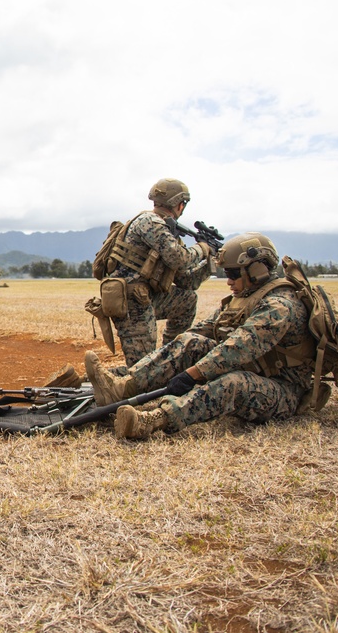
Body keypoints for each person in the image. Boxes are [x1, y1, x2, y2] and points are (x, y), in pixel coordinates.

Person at [84, 233, 314, 440]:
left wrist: (192, 374)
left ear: (257, 270)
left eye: (234, 274)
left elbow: (236, 349)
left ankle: (153, 420)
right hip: (255, 369)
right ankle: (121, 388)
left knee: (233, 383)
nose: (229, 281)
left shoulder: (279, 306)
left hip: (283, 389)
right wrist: (170, 357)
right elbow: (204, 329)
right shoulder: (247, 296)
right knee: (190, 342)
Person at [97, 178, 213, 366]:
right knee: (142, 370)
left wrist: (210, 263)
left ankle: (170, 357)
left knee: (187, 300)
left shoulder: (166, 232)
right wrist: (202, 249)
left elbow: (187, 281)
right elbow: (178, 258)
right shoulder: (149, 222)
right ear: (179, 205)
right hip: (131, 302)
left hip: (145, 298)